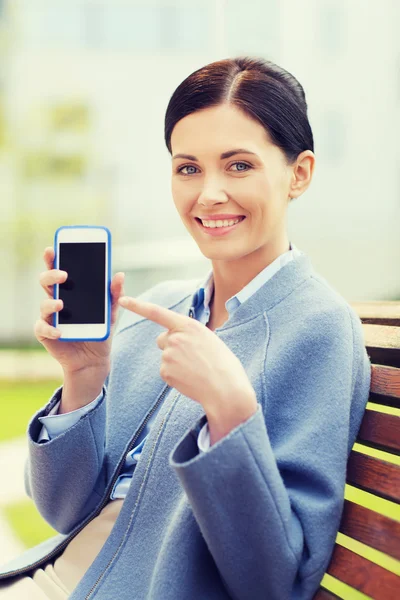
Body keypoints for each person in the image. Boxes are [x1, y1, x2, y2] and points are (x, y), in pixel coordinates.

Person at [0, 56, 371, 600]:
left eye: (239, 165)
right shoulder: (160, 308)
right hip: (51, 579)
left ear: (300, 173)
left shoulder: (318, 330)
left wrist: (229, 411)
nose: (208, 194)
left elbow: (275, 581)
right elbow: (61, 511)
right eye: (188, 167)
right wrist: (83, 378)